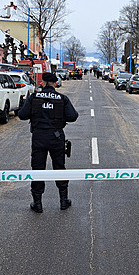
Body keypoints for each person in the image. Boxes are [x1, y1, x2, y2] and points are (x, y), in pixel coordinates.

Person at [19, 72, 79, 212]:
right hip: (56, 137)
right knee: (59, 168)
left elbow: (22, 115)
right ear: (55, 84)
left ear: (43, 83)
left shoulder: (34, 97)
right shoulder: (62, 98)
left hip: (39, 137)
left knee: (38, 169)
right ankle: (63, 200)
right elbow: (73, 116)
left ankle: (38, 203)